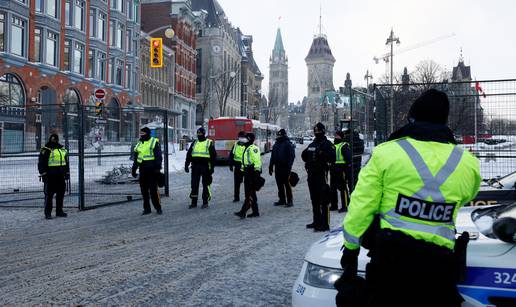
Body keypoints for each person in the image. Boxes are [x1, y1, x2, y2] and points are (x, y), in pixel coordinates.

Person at [338, 89, 481, 307]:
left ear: (412, 118)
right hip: (439, 270)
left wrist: (350, 248)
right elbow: (465, 196)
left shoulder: (386, 153)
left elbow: (361, 206)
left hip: (390, 265)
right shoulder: (468, 163)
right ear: (444, 120)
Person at [301, 122, 336, 232]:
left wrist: (322, 154)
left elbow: (332, 158)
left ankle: (325, 224)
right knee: (314, 200)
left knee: (324, 200)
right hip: (311, 175)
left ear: (323, 132)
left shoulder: (327, 144)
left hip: (322, 175)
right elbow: (304, 155)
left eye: (318, 132)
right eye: (315, 132)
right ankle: (317, 221)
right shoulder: (312, 144)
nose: (317, 133)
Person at [132, 127, 163, 215]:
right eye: (141, 133)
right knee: (144, 191)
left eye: (143, 133)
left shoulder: (154, 142)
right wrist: (134, 169)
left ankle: (158, 208)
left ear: (148, 133)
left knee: (153, 191)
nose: (142, 135)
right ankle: (147, 208)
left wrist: (158, 168)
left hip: (152, 171)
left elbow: (158, 156)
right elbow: (137, 158)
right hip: (143, 170)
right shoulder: (139, 144)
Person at [38, 134, 70, 219]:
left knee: (61, 194)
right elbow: (41, 163)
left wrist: (67, 173)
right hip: (50, 176)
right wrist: (43, 174)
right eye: (52, 138)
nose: (54, 140)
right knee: (49, 195)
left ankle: (59, 211)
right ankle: (48, 213)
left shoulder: (62, 149)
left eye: (55, 138)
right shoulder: (45, 149)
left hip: (60, 175)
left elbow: (66, 162)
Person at [185, 127, 217, 209]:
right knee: (194, 185)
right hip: (195, 166)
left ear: (204, 134)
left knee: (205, 184)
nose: (199, 135)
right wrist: (186, 164)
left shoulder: (209, 142)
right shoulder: (194, 142)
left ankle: (205, 202)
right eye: (198, 134)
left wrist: (212, 168)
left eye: (201, 134)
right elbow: (189, 154)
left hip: (205, 166)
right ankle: (193, 202)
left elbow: (213, 156)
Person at [234, 132, 262, 218]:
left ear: (249, 139)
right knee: (251, 193)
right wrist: (243, 170)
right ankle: (255, 212)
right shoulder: (247, 148)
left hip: (252, 173)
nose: (243, 139)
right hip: (247, 173)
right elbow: (245, 161)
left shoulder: (253, 148)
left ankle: (243, 212)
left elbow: (257, 161)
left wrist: (256, 173)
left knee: (249, 193)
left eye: (245, 138)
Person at [269, 129, 295, 207]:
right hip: (277, 167)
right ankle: (282, 199)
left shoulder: (288, 144)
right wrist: (271, 166)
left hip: (285, 167)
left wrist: (289, 167)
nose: (279, 136)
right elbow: (273, 156)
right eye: (278, 135)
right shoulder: (276, 144)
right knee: (279, 184)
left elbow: (292, 156)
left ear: (284, 135)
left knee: (287, 184)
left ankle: (290, 201)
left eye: (280, 135)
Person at [330, 130, 352, 213]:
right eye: (335, 135)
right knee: (333, 188)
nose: (335, 137)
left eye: (337, 136)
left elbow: (348, 159)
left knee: (342, 188)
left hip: (341, 169)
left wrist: (346, 171)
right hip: (333, 169)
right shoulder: (333, 145)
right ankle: (334, 205)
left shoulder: (344, 145)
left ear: (341, 137)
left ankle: (345, 205)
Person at [228, 131, 247, 202]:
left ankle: (247, 197)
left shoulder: (248, 145)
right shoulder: (235, 145)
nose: (242, 139)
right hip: (237, 167)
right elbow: (231, 155)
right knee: (237, 183)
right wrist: (230, 164)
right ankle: (236, 197)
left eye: (243, 137)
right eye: (240, 137)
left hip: (246, 167)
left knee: (247, 183)